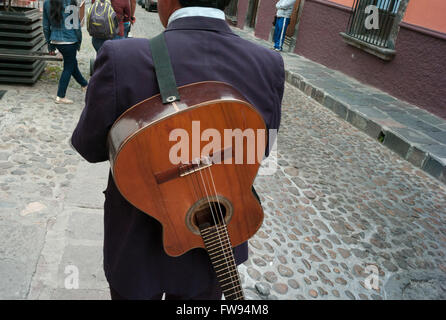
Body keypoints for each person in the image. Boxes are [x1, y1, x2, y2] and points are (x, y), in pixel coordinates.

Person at [71, 0, 284, 300]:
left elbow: (88, 147)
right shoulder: (268, 64)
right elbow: (260, 149)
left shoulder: (122, 58)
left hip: (136, 249)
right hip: (214, 246)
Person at [42, 0, 88, 104]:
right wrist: (79, 41)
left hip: (56, 39)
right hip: (70, 40)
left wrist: (50, 45)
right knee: (68, 67)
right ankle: (60, 96)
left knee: (71, 63)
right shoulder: (71, 1)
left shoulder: (47, 3)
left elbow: (45, 26)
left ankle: (85, 85)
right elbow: (77, 26)